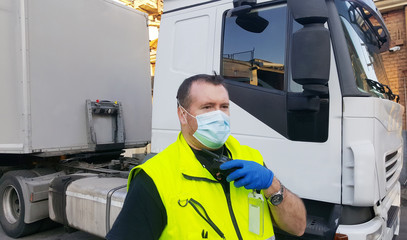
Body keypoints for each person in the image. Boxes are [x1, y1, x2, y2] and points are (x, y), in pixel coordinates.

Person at [106, 74, 306, 240]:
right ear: (183, 115)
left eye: (224, 106)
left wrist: (273, 185)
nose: (219, 115)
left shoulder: (251, 158)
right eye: (207, 107)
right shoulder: (155, 177)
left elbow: (298, 227)